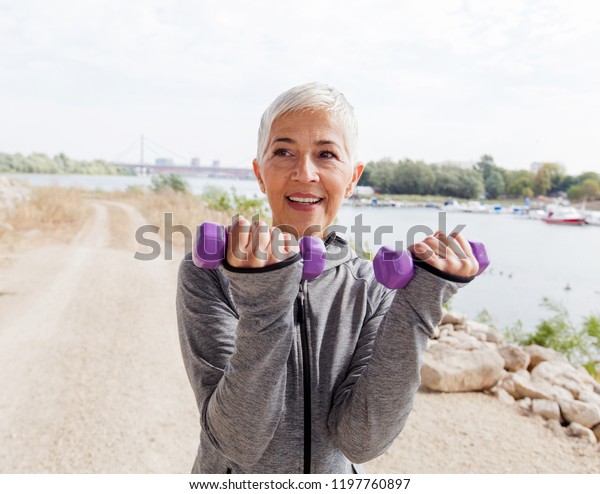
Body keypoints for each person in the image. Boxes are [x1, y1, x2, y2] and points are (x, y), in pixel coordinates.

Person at [176, 82, 479, 474]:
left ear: (352, 178)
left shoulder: (372, 287)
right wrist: (264, 298)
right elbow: (239, 441)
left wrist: (422, 300)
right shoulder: (210, 274)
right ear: (260, 172)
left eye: (326, 154)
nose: (305, 173)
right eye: (283, 152)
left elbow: (362, 441)